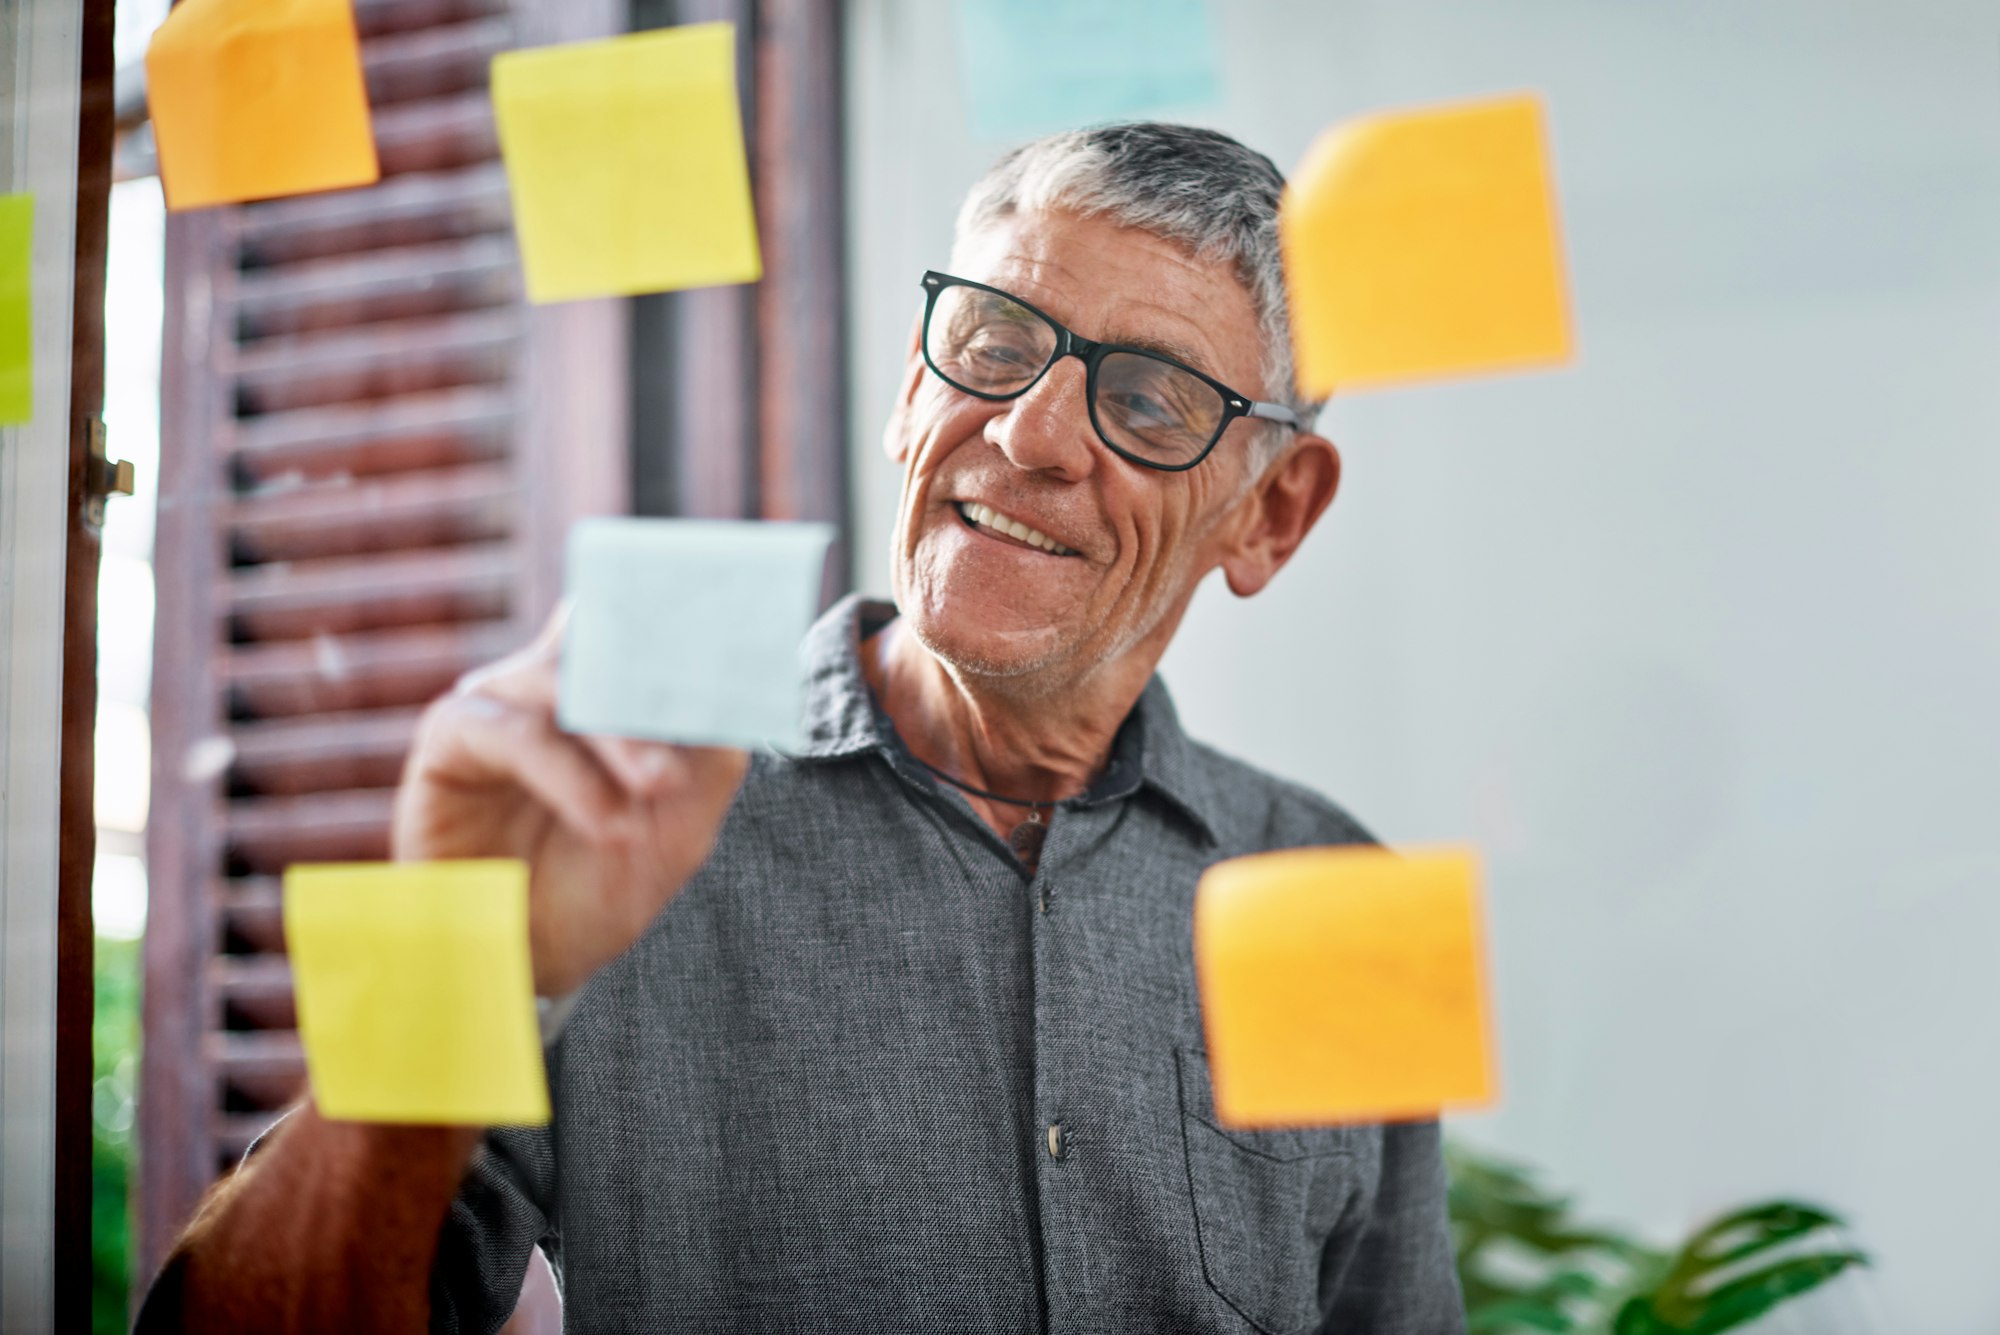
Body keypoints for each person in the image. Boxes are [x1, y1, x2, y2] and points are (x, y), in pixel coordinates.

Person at [139, 122, 1464, 1334]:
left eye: (1150, 402)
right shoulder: (623, 813)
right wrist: (460, 966)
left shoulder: (1337, 904)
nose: (1028, 431)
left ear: (1271, 513)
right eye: (998, 344)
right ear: (911, 386)